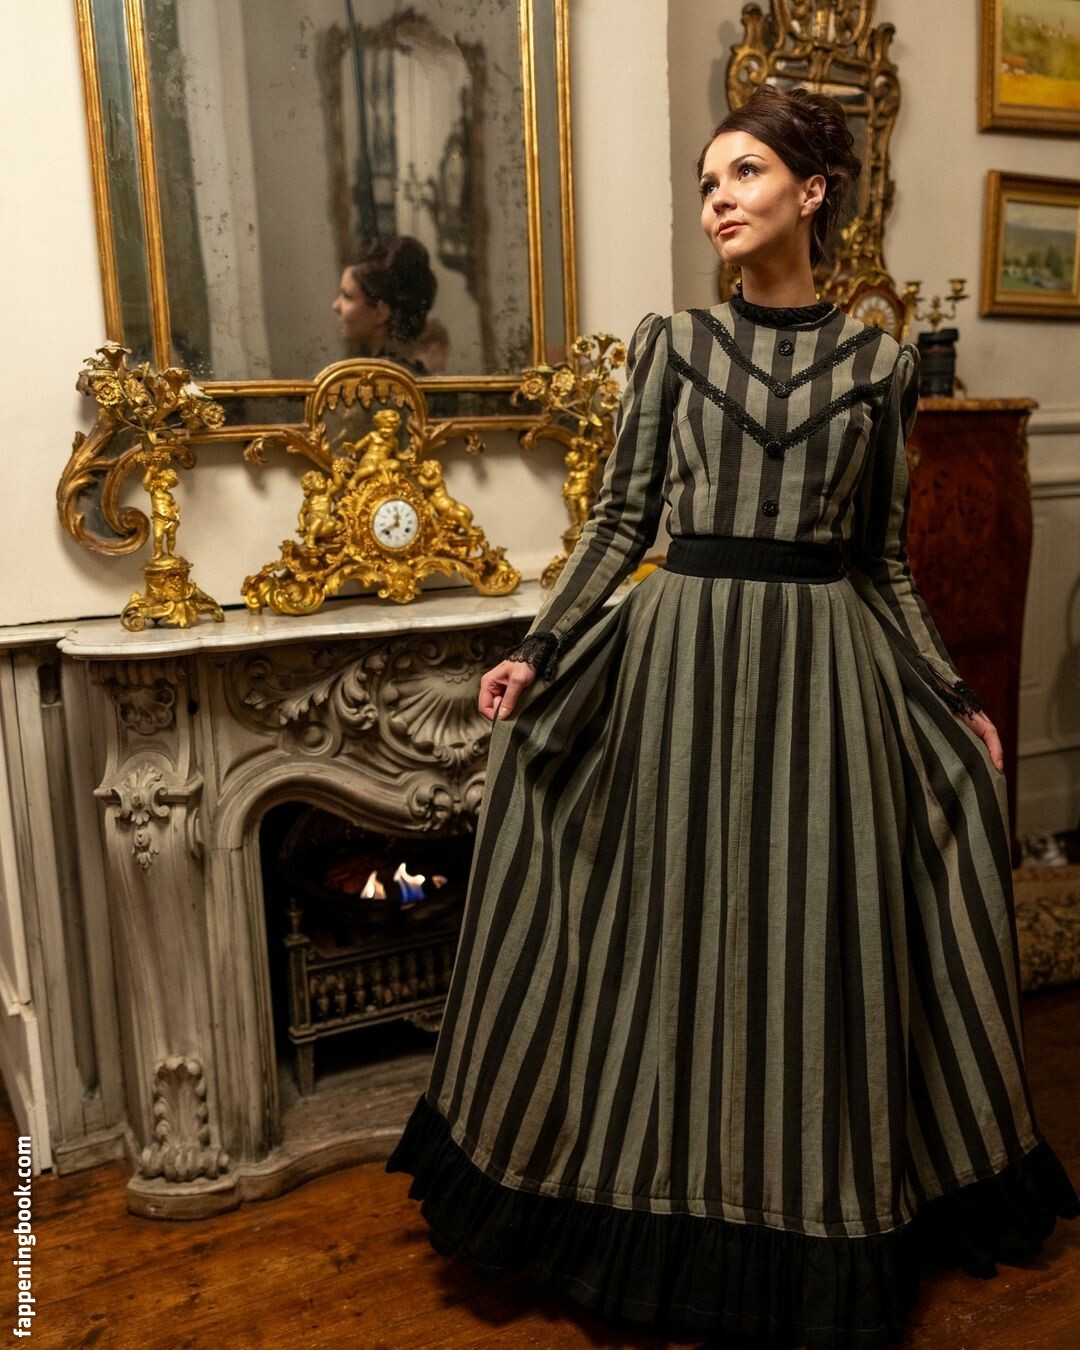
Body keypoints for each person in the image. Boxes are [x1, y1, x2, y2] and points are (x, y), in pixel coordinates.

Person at [384, 85, 1079, 1348]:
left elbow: (881, 562)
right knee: (671, 934)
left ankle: (806, 1207)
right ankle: (640, 1189)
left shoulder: (881, 367)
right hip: (678, 664)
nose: (719, 198)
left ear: (813, 192)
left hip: (824, 674)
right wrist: (539, 650)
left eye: (745, 173)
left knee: (802, 939)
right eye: (708, 181)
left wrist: (951, 693)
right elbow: (622, 520)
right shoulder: (671, 346)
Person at [331, 236, 436, 374]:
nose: (335, 306)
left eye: (347, 296)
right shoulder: (405, 370)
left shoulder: (384, 379)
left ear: (380, 313)